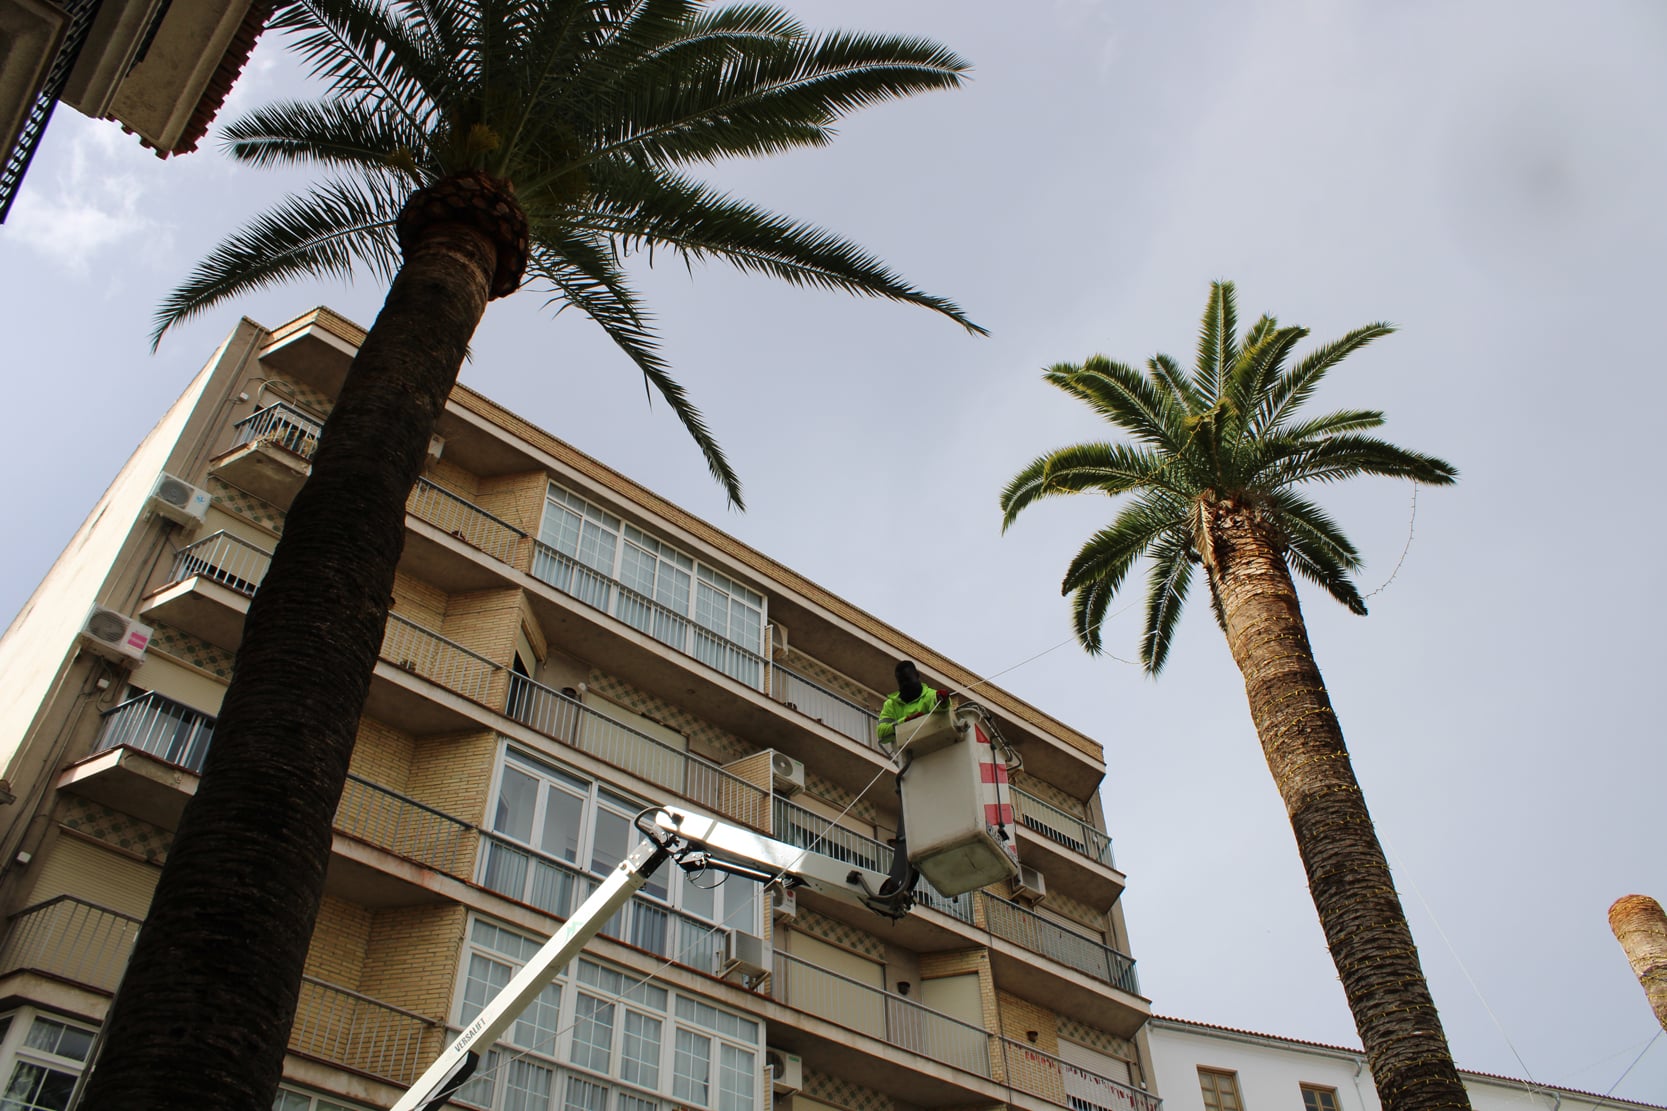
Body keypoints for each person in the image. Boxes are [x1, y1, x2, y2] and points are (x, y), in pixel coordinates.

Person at [877, 660, 950, 749]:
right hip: (908, 754)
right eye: (901, 682)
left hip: (935, 747)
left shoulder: (930, 695)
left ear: (917, 675)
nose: (905, 684)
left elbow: (941, 709)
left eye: (907, 679)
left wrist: (943, 701)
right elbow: (881, 733)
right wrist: (905, 721)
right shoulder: (891, 705)